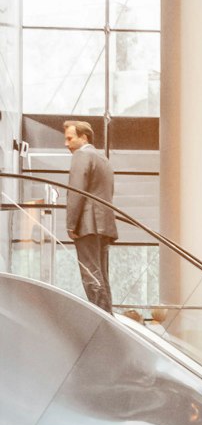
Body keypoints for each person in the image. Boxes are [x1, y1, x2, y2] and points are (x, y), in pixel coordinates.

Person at [62, 118, 117, 313]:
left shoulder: (81, 156)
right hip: (104, 224)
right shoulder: (103, 159)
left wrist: (71, 224)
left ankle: (101, 318)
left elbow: (76, 190)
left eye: (70, 139)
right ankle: (107, 314)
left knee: (90, 274)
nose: (67, 144)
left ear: (83, 138)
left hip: (86, 224)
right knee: (101, 274)